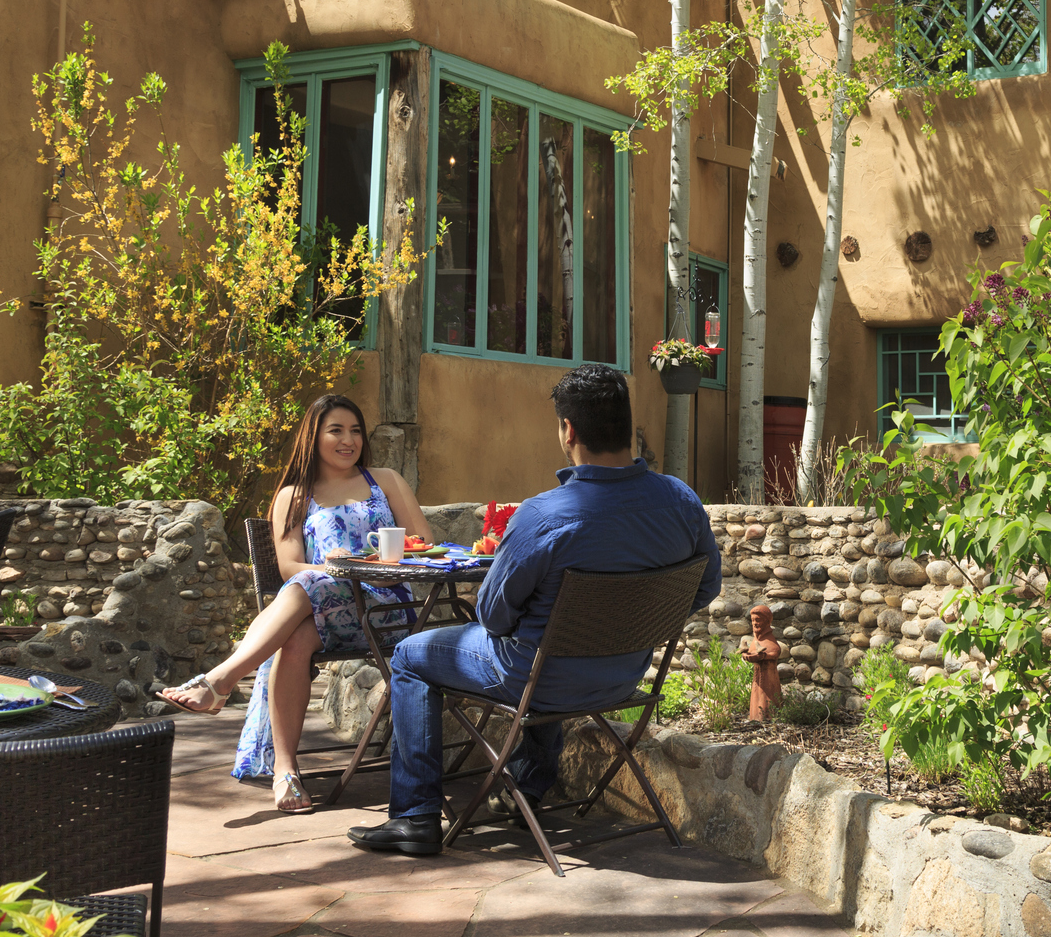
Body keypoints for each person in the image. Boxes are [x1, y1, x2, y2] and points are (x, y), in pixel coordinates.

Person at [349, 364, 721, 856]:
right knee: (545, 649)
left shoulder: (544, 514)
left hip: (540, 678)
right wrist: (628, 625)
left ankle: (415, 816)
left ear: (568, 430)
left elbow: (494, 615)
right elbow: (704, 587)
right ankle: (524, 787)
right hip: (624, 676)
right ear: (627, 427)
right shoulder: (682, 501)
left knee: (411, 655)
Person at [158, 394, 434, 813]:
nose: (348, 440)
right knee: (299, 631)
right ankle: (285, 770)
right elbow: (288, 567)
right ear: (314, 437)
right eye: (336, 430)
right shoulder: (294, 494)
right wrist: (331, 566)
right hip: (325, 604)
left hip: (384, 608)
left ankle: (220, 680)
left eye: (355, 431)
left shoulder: (386, 480)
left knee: (310, 591)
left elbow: (424, 545)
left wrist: (368, 564)